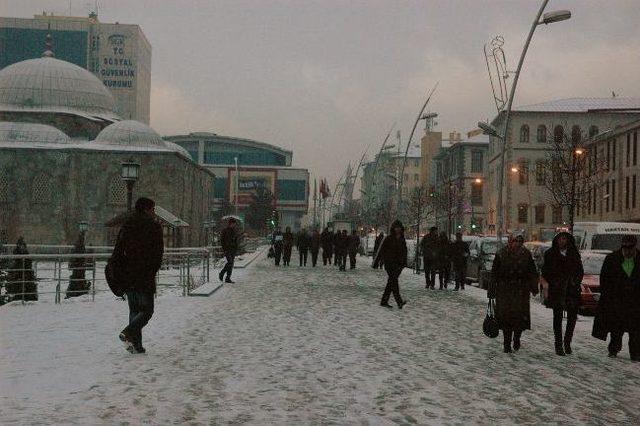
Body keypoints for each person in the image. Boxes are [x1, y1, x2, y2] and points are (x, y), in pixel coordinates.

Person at [116, 197, 164, 354]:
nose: (154, 212)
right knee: (147, 310)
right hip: (145, 273)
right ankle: (129, 332)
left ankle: (137, 345)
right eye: (152, 209)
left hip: (128, 273)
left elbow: (118, 249)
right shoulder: (154, 226)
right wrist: (153, 269)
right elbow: (158, 252)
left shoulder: (127, 225)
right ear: (146, 209)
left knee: (134, 309)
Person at [592, 235, 640, 361]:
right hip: (617, 301)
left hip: (636, 302)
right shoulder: (612, 259)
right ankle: (614, 348)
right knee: (616, 328)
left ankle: (635, 353)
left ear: (635, 247)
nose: (628, 251)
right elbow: (604, 280)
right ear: (622, 247)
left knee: (636, 330)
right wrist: (608, 298)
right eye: (625, 249)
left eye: (631, 249)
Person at [490, 234, 538, 353]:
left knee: (519, 319)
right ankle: (506, 344)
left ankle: (516, 338)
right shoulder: (501, 254)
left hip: (521, 291)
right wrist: (492, 289)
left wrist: (534, 287)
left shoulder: (526, 254)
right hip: (505, 291)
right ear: (509, 242)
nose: (516, 244)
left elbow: (532, 271)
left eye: (519, 241)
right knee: (506, 319)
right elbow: (494, 273)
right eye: (514, 241)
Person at [541, 232, 584, 356]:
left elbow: (580, 271)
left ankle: (567, 342)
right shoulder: (550, 254)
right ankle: (558, 345)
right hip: (557, 290)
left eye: (564, 238)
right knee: (557, 318)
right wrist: (547, 285)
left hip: (572, 290)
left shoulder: (574, 254)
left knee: (572, 318)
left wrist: (575, 282)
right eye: (560, 238)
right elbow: (546, 271)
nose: (562, 241)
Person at [373, 220, 407, 309]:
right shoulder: (388, 238)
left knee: (391, 282)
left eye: (399, 228)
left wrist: (403, 263)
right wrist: (377, 262)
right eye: (396, 227)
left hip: (399, 264)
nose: (398, 229)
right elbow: (381, 250)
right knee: (394, 281)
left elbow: (404, 252)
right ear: (393, 228)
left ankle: (384, 301)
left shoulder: (402, 239)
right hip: (390, 264)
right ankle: (399, 302)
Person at [218, 218, 239, 283]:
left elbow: (235, 240)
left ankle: (228, 278)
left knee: (231, 264)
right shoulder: (225, 230)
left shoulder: (234, 231)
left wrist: (236, 246)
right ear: (231, 223)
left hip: (233, 249)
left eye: (235, 224)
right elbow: (222, 240)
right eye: (233, 223)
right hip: (227, 249)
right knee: (229, 262)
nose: (234, 225)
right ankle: (222, 273)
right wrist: (224, 249)